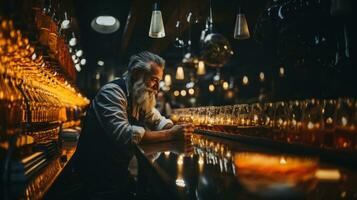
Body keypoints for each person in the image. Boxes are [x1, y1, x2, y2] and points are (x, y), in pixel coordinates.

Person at [75, 51, 192, 199]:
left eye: (159, 81)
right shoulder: (112, 92)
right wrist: (171, 134)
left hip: (117, 171)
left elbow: (157, 120)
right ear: (137, 74)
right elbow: (125, 135)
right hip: (94, 175)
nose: (157, 88)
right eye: (154, 80)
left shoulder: (139, 96)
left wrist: (175, 129)